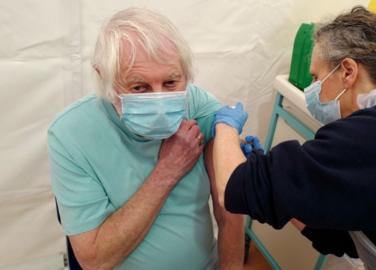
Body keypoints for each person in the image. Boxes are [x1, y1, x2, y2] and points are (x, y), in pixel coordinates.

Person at [209, 6, 376, 270]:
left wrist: (225, 125)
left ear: (347, 71)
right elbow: (342, 236)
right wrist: (282, 192)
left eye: (316, 77)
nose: (312, 88)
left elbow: (231, 191)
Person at [48, 7, 244, 270]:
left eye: (171, 82)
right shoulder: (71, 134)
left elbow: (228, 207)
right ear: (102, 77)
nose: (160, 101)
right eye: (139, 87)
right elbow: (94, 259)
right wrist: (167, 170)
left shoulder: (198, 107)